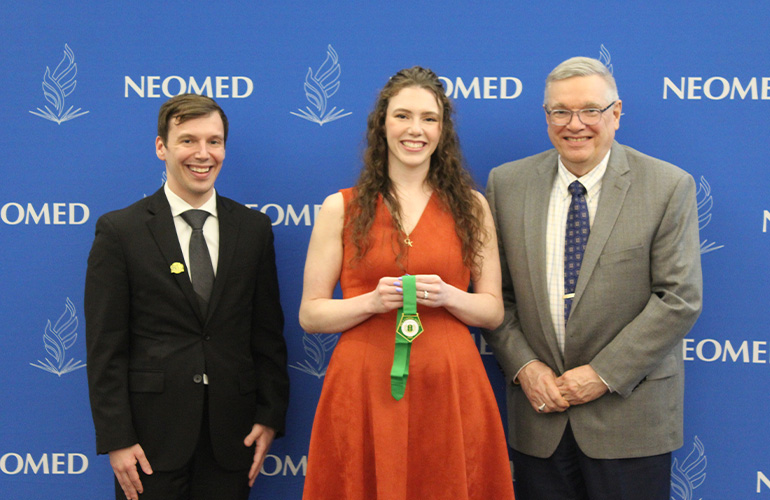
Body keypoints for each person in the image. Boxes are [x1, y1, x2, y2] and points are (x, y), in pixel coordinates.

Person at [483, 56, 703, 500]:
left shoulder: (667, 186)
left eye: (590, 111)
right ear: (546, 116)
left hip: (630, 417)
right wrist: (525, 367)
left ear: (616, 114)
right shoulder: (507, 184)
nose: (574, 124)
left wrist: (602, 374)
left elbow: (678, 298)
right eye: (560, 111)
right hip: (538, 415)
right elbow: (496, 297)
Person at [299, 66, 515, 500]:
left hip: (450, 385)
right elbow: (311, 314)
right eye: (402, 116)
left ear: (442, 130)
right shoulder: (340, 208)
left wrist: (452, 296)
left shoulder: (472, 207)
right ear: (382, 124)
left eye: (429, 118)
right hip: (363, 385)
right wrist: (370, 302)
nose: (415, 130)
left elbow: (492, 310)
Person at [85, 93, 289, 500]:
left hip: (232, 440)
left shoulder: (253, 230)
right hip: (148, 445)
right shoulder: (120, 231)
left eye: (214, 141)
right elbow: (106, 347)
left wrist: (270, 416)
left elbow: (267, 334)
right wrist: (117, 438)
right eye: (188, 140)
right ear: (161, 147)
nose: (203, 153)